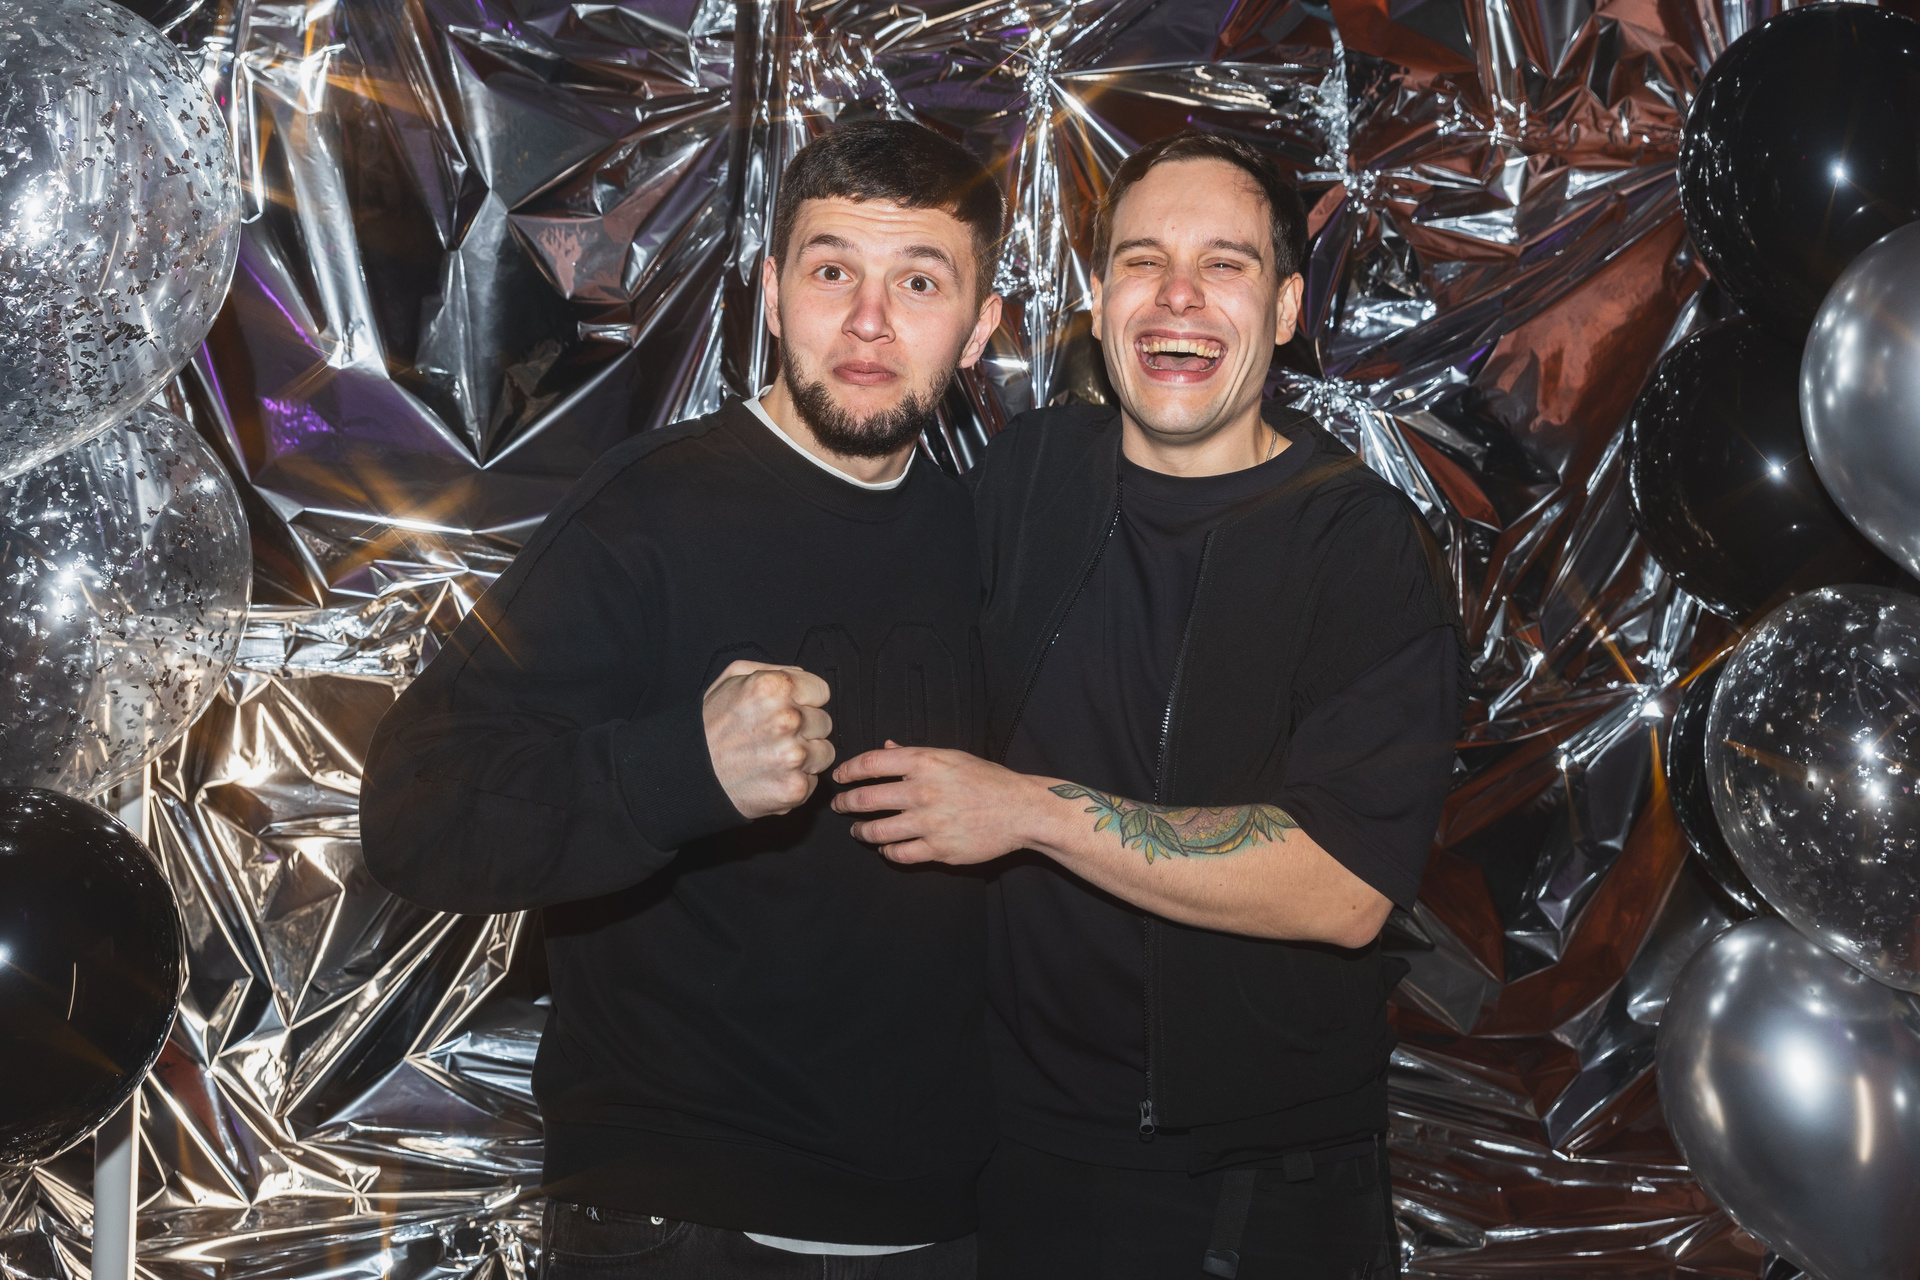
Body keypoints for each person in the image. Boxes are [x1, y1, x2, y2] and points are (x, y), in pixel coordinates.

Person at [359, 118, 1005, 1278]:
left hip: (935, 1222)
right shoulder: (650, 509)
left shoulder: (992, 539)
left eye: (919, 281)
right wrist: (676, 768)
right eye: (832, 272)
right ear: (773, 294)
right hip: (674, 1215)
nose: (869, 319)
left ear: (981, 327)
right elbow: (417, 808)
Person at [832, 131, 1461, 1279]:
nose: (1178, 296)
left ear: (1286, 307)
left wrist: (1032, 811)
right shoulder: (1031, 475)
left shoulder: (1358, 545)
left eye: (1224, 263)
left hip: (1250, 1184)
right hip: (1010, 1149)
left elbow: (1344, 884)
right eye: (1143, 260)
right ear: (1100, 295)